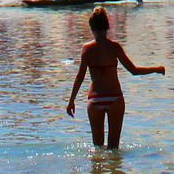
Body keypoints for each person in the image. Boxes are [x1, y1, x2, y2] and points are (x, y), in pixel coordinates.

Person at [64, 8, 164, 149]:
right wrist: (155, 69)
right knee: (113, 149)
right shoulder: (115, 47)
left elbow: (80, 77)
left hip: (95, 99)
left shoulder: (86, 49)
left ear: (91, 27)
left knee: (97, 148)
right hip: (115, 98)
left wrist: (71, 101)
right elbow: (133, 71)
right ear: (107, 26)